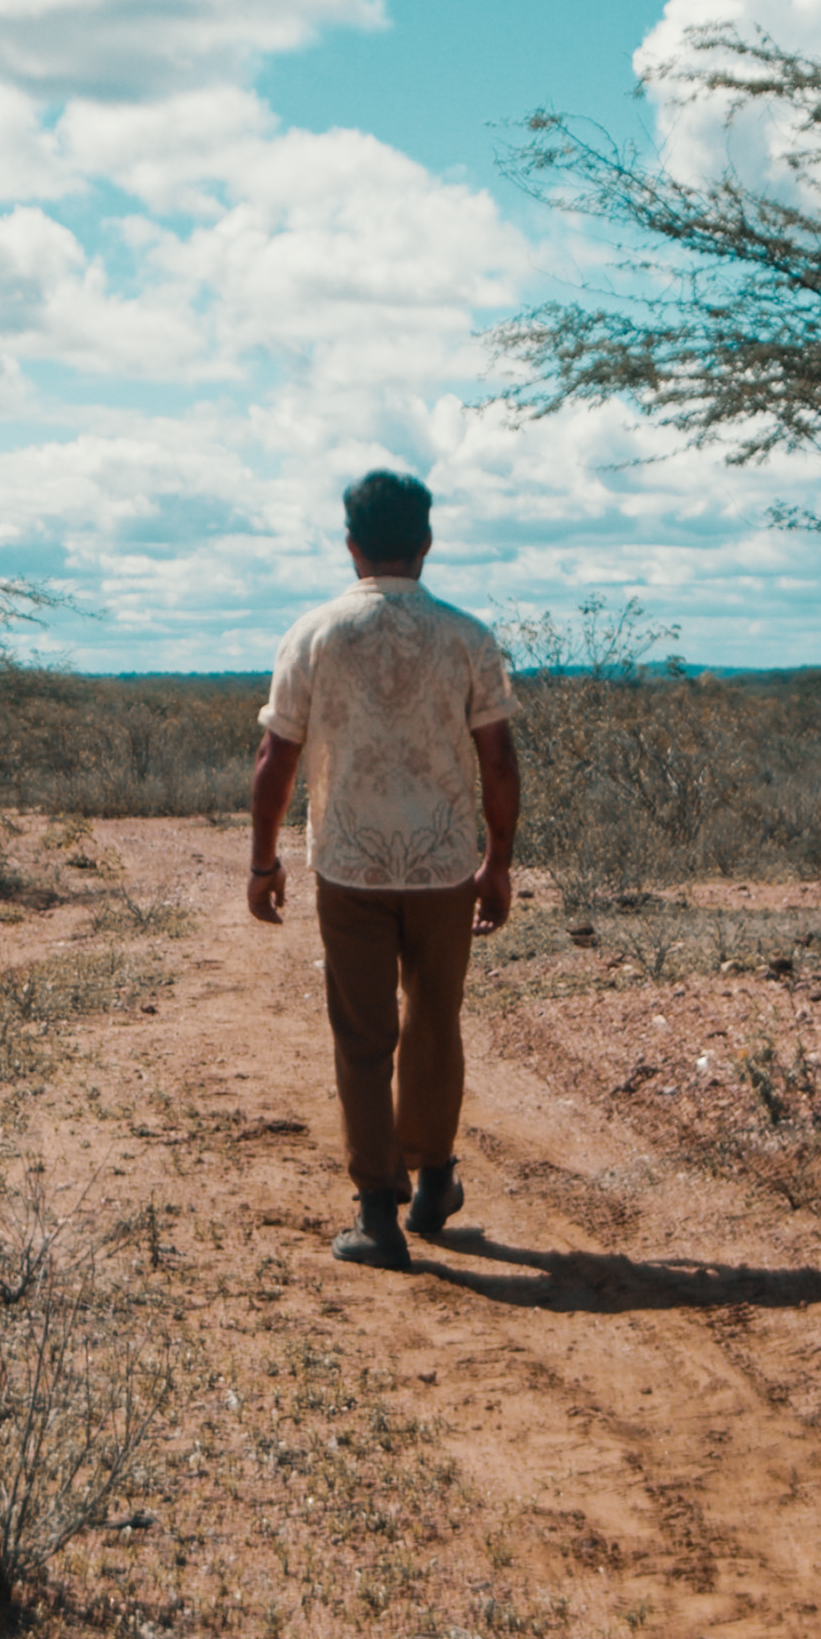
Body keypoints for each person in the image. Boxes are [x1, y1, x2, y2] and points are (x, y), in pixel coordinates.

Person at [242, 467, 519, 1270]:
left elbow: (274, 756)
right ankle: (435, 1179)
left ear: (352, 544)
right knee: (436, 1019)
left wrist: (264, 861)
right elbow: (497, 760)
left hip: (351, 866)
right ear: (426, 544)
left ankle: (378, 1212)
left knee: (363, 1036)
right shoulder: (467, 637)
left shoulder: (314, 634)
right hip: (442, 865)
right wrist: (497, 861)